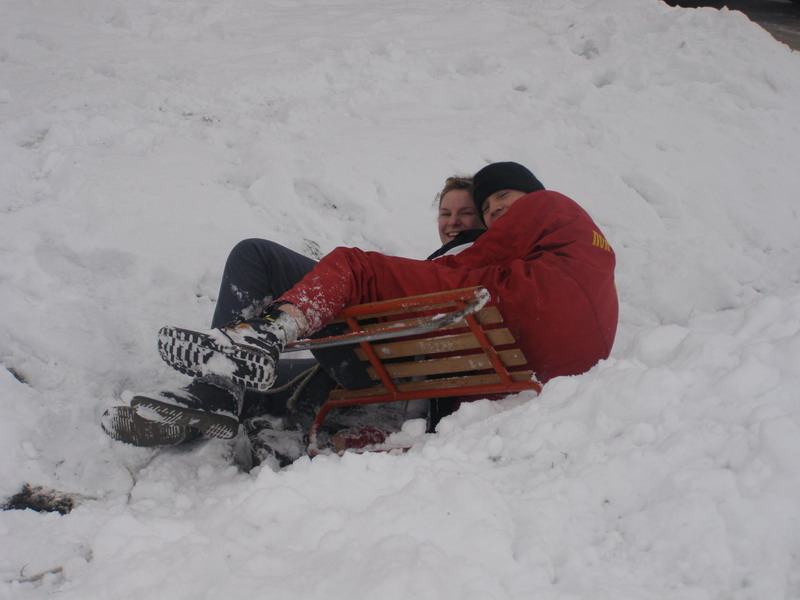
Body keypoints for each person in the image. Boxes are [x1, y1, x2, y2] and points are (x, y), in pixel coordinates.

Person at [130, 161, 618, 447]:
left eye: (478, 212)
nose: (460, 221)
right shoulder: (507, 267)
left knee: (268, 258)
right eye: (448, 213)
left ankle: (233, 370)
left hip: (401, 354)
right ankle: (214, 403)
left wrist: (371, 276)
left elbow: (440, 280)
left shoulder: (497, 253)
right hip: (405, 358)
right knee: (286, 378)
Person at [103, 175, 483, 448]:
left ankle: (215, 390)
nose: (453, 221)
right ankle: (195, 418)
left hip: (380, 361)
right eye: (445, 213)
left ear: (485, 219)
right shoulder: (456, 265)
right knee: (269, 376)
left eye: (465, 213)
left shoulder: (471, 261)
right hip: (388, 365)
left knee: (255, 256)